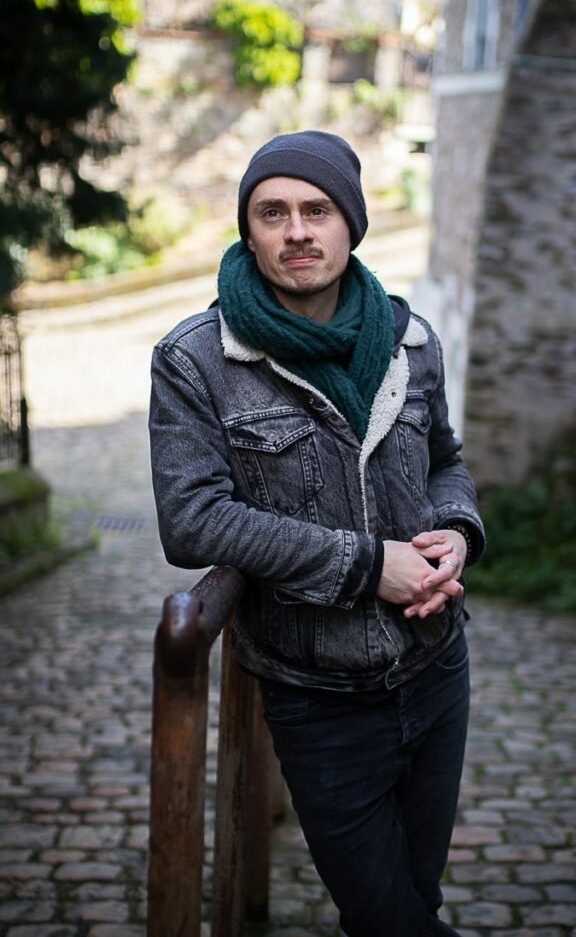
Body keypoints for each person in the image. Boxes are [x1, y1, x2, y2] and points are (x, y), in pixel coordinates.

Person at [149, 130, 484, 937]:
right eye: (273, 212)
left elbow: (446, 462)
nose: (297, 230)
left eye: (317, 209)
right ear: (249, 230)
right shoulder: (196, 359)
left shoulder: (410, 340)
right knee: (385, 918)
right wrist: (368, 567)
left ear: (350, 223)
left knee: (416, 900)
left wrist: (457, 532)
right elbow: (192, 520)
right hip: (316, 692)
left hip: (437, 669)